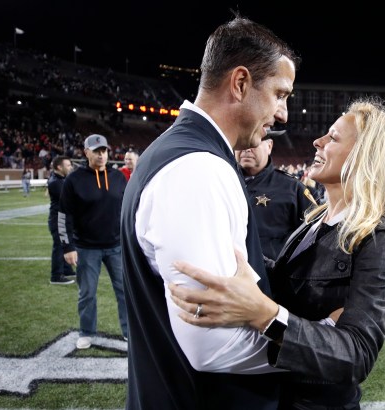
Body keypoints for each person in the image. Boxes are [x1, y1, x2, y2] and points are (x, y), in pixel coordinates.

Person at [168, 97, 385, 409]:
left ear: (366, 157)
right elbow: (290, 285)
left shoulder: (379, 239)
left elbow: (356, 355)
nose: (317, 141)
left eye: (333, 137)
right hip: (278, 395)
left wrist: (264, 314)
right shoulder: (314, 220)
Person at [120, 15, 300, 409]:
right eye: (280, 94)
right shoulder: (197, 168)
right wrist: (319, 347)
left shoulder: (187, 153)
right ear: (240, 83)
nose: (283, 114)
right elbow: (211, 346)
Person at [59, 134, 128, 349]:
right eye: (96, 150)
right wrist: (67, 246)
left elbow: (128, 210)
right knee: (87, 294)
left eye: (104, 150)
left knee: (125, 292)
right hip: (86, 248)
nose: (101, 154)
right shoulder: (74, 179)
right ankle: (87, 331)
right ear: (86, 152)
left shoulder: (118, 177)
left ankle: (129, 332)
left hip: (116, 246)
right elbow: (63, 215)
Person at [236, 136, 315, 260]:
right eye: (241, 143)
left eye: (253, 142)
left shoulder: (293, 188)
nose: (246, 149)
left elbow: (314, 237)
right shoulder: (219, 183)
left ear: (269, 146)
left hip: (271, 276)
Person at [47, 155, 75, 285]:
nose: (71, 167)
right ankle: (56, 276)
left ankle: (66, 269)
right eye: (68, 165)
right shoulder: (55, 182)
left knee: (65, 244)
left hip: (63, 218)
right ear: (59, 167)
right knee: (58, 247)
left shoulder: (61, 179)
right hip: (57, 219)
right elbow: (70, 198)